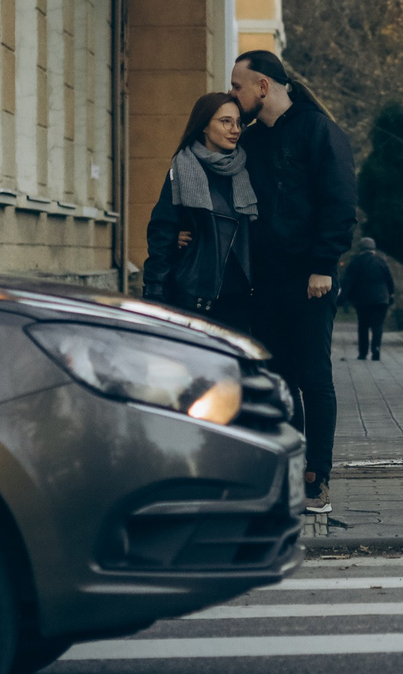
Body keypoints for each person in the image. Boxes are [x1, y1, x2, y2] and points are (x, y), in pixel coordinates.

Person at [228, 49, 356, 516]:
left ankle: (318, 480)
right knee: (278, 381)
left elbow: (339, 201)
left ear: (263, 86)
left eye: (238, 85)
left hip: (310, 281)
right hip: (265, 282)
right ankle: (290, 473)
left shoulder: (318, 130)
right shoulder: (253, 140)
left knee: (313, 378)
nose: (233, 94)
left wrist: (323, 264)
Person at [142, 92, 257, 319]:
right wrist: (154, 292)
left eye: (238, 123)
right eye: (226, 121)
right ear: (204, 125)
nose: (235, 129)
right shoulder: (183, 168)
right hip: (194, 298)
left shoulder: (248, 168)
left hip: (242, 299)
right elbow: (161, 234)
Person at [341, 236, 394, 361]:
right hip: (381, 299)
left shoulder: (356, 262)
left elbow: (348, 281)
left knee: (363, 326)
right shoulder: (381, 261)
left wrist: (342, 298)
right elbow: (389, 280)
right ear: (373, 249)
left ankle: (363, 353)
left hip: (363, 300)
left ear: (361, 249)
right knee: (378, 325)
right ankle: (376, 350)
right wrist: (391, 294)